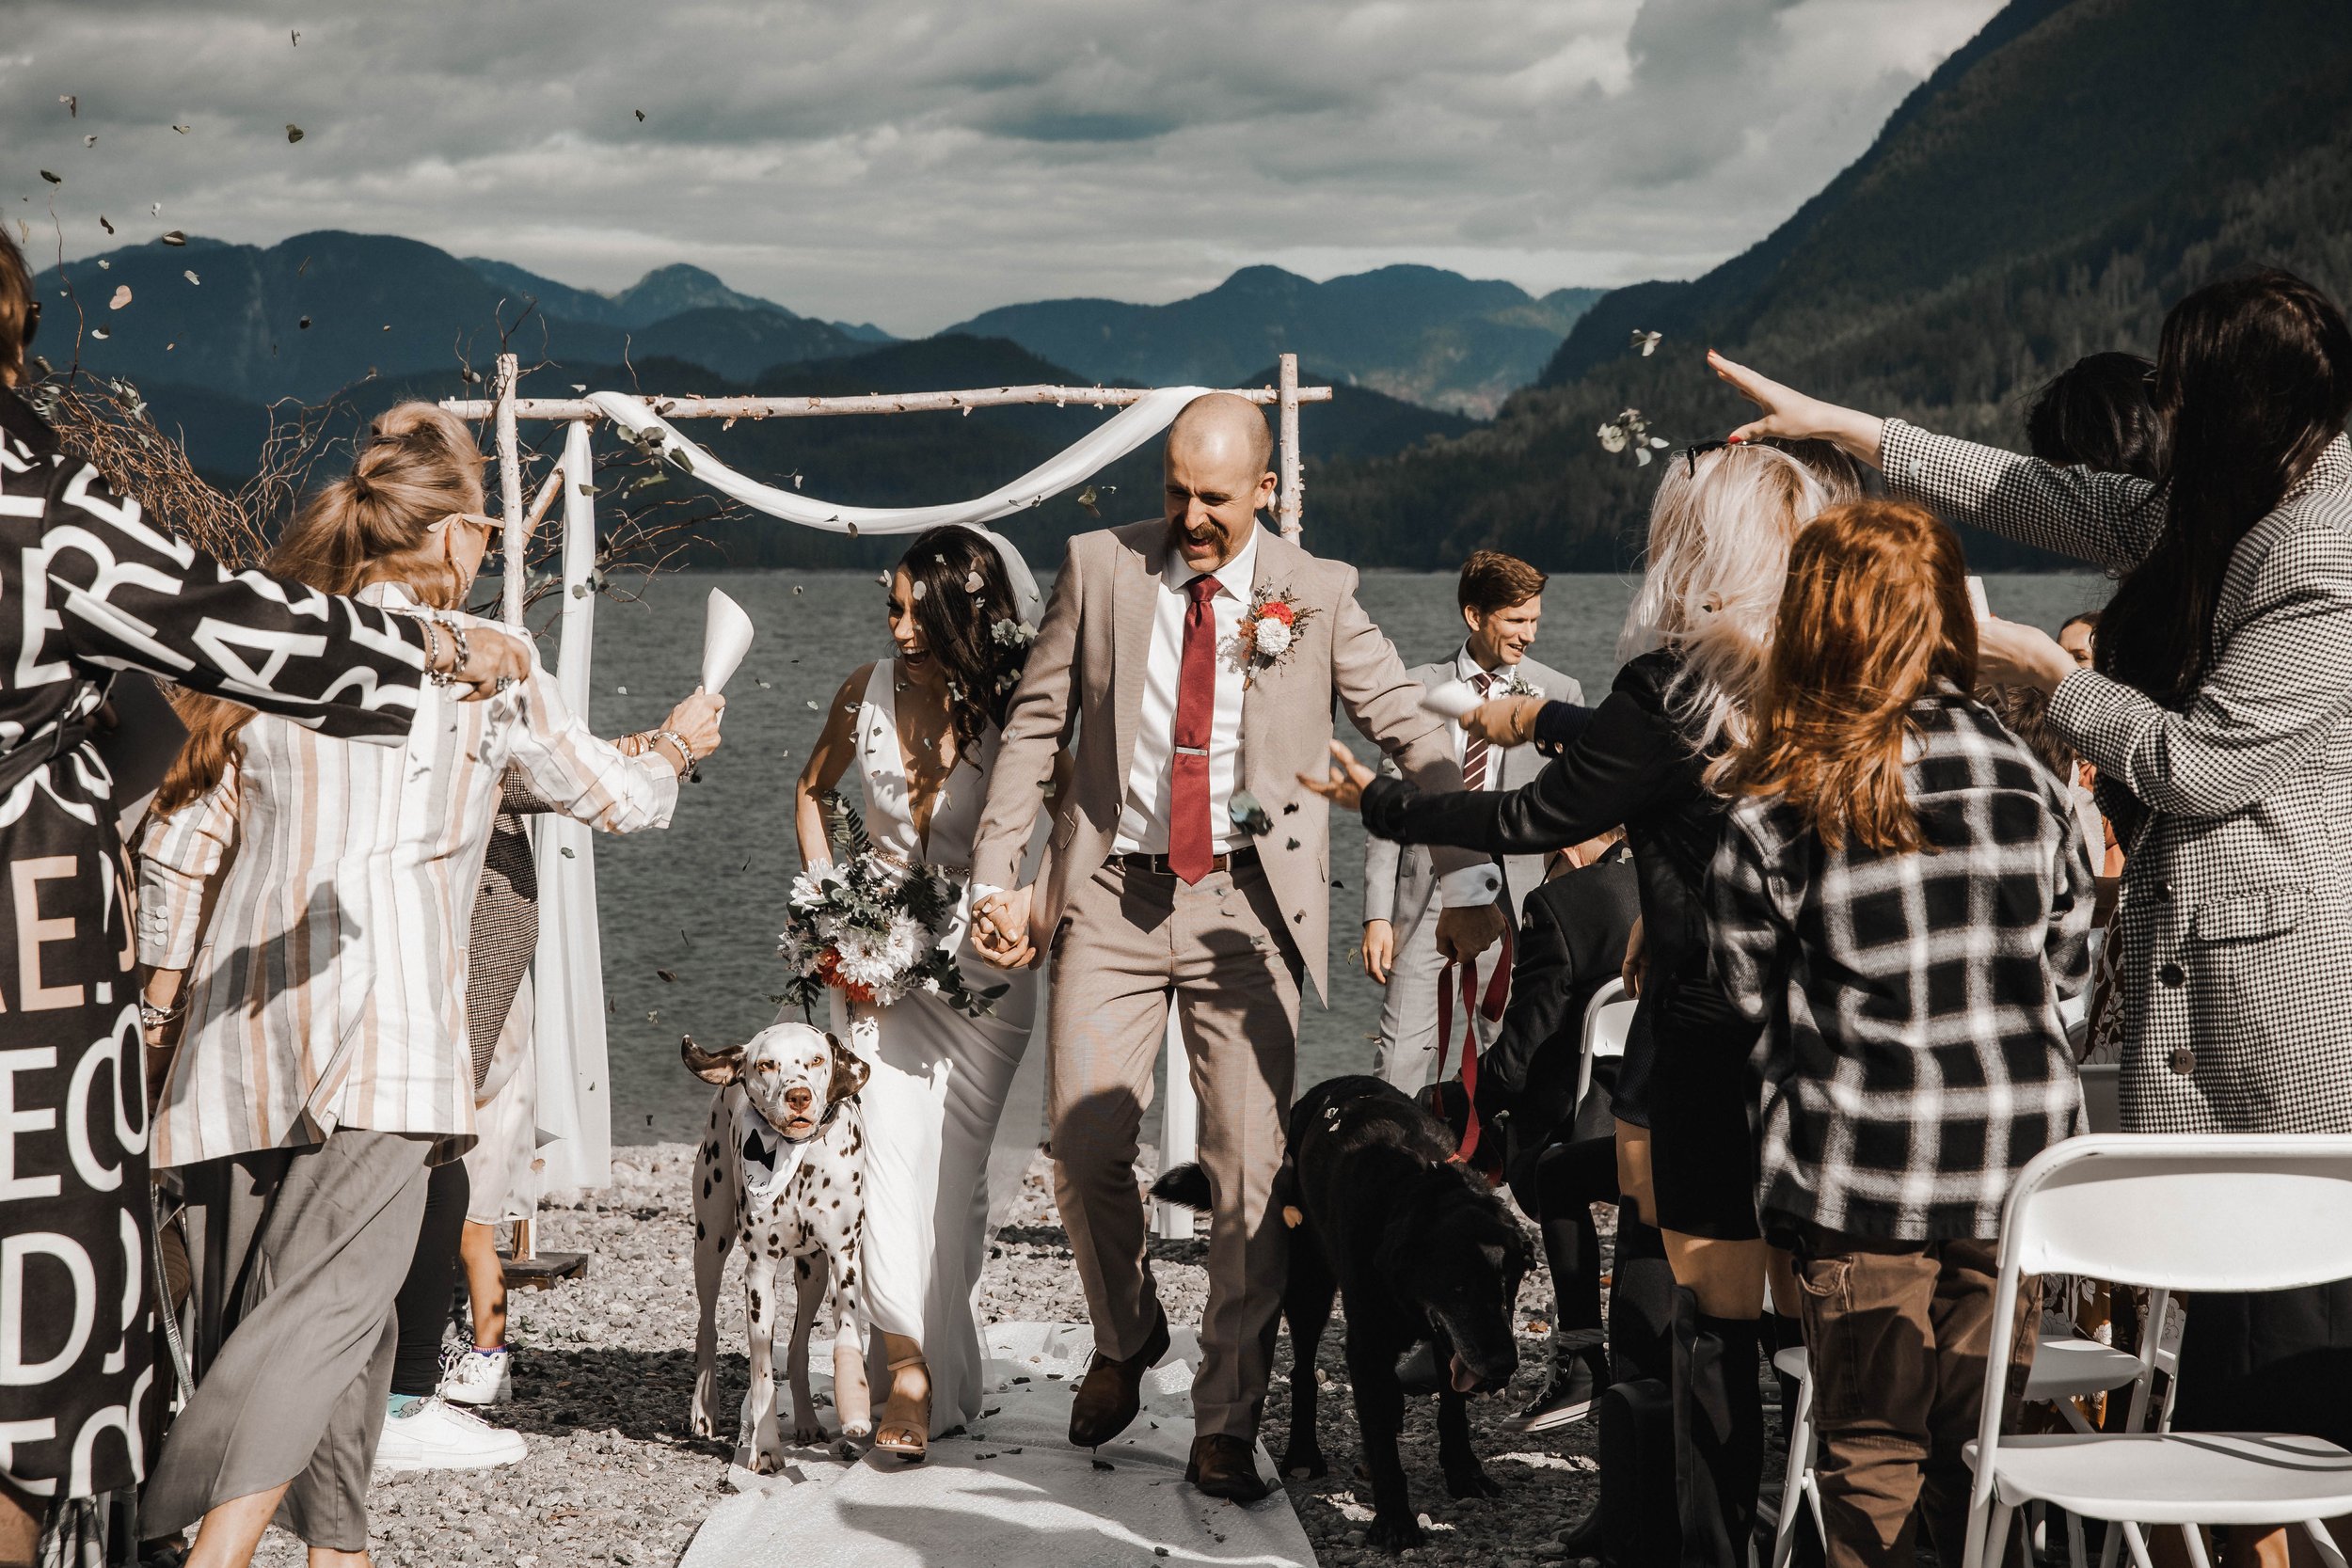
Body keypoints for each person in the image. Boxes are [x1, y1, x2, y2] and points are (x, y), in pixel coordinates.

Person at [1711, 264, 2352, 1568]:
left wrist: (2051, 672)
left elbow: (2196, 767)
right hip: (2041, 1133)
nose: (2161, 412)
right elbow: (2051, 496)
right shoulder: (2244, 494)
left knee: (2275, 1373)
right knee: (2214, 1374)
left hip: (2272, 1007)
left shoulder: (2325, 550)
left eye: (2178, 389)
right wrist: (1850, 430)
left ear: (2243, 402)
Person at [0, 229, 529, 1566]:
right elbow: (221, 623)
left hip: (217, 1023)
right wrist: (433, 645)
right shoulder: (33, 496)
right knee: (40, 1332)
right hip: (30, 952)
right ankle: (171, 1531)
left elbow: (195, 797)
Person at [134, 402, 723, 1568]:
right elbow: (614, 796)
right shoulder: (485, 663)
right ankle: (194, 1547)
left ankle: (336, 1551)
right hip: (389, 1037)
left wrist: (157, 1015)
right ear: (456, 534)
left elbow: (182, 843)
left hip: (234, 1038)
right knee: (324, 1313)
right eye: (487, 531)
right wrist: (676, 745)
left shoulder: (275, 639)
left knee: (305, 1316)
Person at [1304, 440, 1852, 1564]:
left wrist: (1388, 805)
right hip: (1823, 1034)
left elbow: (1532, 818)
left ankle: (1675, 1530)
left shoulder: (1673, 686)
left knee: (1687, 1298)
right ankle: (1781, 1518)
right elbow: (1646, 761)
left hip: (1701, 1031)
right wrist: (1542, 724)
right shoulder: (1832, 675)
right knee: (1802, 1305)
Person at [965, 392, 1502, 1501]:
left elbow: (1409, 725)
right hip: (1110, 892)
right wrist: (996, 874)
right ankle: (1127, 1333)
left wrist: (1467, 876)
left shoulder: (1319, 591)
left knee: (1249, 1173)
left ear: (1264, 488)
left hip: (1249, 906)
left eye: (1214, 497)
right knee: (1083, 1146)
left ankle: (1225, 1418)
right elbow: (1035, 724)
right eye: (1176, 492)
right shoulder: (1098, 567)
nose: (1192, 516)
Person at [1708, 498, 2093, 1568]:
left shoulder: (1776, 804)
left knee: (1872, 1443)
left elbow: (1745, 996)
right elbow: (2068, 972)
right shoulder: (2031, 778)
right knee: (1982, 1443)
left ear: (1812, 625)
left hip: (1859, 1168)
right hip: (2016, 1170)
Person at [792, 523, 1055, 1462]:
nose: (900, 628)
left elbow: (1075, 817)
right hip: (877, 964)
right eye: (892, 608)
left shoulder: (1018, 706)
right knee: (885, 1159)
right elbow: (811, 791)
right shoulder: (860, 691)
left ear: (966, 615)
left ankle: (943, 1359)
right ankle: (905, 1369)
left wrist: (1032, 904)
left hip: (987, 973)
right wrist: (832, 905)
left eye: (919, 613)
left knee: (953, 1184)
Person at [1361, 550, 1581, 1093]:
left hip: (1518, 901)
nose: (1530, 634)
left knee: (1505, 1050)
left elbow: (1575, 813)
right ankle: (1396, 1143)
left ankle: (1494, 1149)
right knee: (1400, 1051)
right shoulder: (1416, 688)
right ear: (1474, 616)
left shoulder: (1560, 694)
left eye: (1535, 619)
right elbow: (1390, 810)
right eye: (1516, 620)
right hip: (1428, 894)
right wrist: (1377, 915)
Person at [1482, 827, 1638, 1433]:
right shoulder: (1691, 876)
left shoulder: (1561, 902)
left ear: (1569, 847)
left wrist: (1450, 1098)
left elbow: (1515, 1061)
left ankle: (1574, 1357)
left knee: (1546, 1167)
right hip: (1723, 1121)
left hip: (1599, 1126)